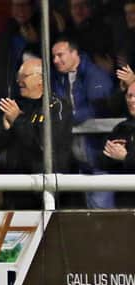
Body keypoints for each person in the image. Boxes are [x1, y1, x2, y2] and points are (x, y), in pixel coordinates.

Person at [0, 57, 73, 209]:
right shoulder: (15, 105)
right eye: (18, 77)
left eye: (24, 76)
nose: (19, 81)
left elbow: (44, 143)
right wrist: (6, 128)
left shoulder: (56, 106)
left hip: (43, 193)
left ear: (41, 79)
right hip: (14, 191)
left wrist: (17, 120)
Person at [51, 35, 114, 209]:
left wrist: (66, 117)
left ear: (75, 53)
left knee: (102, 215)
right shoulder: (59, 79)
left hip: (97, 155)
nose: (56, 60)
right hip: (78, 160)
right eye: (53, 56)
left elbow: (98, 109)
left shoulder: (95, 75)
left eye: (60, 55)